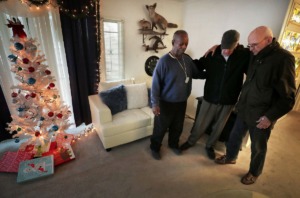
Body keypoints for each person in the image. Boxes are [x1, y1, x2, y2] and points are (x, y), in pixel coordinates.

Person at [215, 26, 296, 185]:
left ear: (268, 40)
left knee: (258, 147)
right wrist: (217, 47)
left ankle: (254, 172)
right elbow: (232, 49)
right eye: (249, 45)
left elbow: (288, 97)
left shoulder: (283, 59)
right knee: (234, 136)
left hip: (262, 115)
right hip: (244, 107)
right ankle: (231, 157)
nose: (250, 48)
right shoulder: (253, 52)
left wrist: (270, 117)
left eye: (254, 45)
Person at [179, 30, 250, 160]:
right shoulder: (213, 53)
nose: (226, 51)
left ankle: (209, 145)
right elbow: (198, 66)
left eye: (229, 48)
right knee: (200, 122)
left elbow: (253, 70)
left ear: (237, 44)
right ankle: (191, 141)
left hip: (229, 99)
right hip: (210, 97)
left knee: (219, 126)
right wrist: (183, 59)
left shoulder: (244, 56)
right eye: (224, 47)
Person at [150, 30, 200, 160]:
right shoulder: (163, 62)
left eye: (186, 44)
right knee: (160, 128)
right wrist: (155, 103)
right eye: (181, 44)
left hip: (181, 101)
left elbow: (197, 73)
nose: (184, 47)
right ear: (173, 42)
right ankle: (155, 147)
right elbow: (155, 84)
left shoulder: (187, 60)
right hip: (165, 103)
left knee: (178, 127)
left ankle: (173, 144)